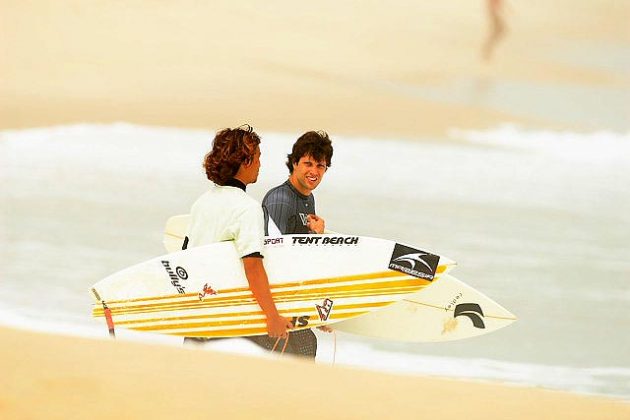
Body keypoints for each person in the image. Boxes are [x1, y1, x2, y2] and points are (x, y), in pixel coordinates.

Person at [183, 125, 292, 346]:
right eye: (258, 157)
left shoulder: (201, 203)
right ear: (244, 161)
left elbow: (184, 256)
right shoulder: (247, 208)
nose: (260, 164)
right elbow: (252, 265)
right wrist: (272, 316)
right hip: (227, 318)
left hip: (198, 314)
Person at [246, 130, 334, 359]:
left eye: (321, 165)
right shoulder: (280, 200)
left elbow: (301, 256)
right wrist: (272, 314)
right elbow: (273, 257)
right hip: (275, 307)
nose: (314, 171)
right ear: (294, 163)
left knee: (306, 351)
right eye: (308, 163)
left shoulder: (307, 199)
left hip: (293, 301)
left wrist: (315, 309)